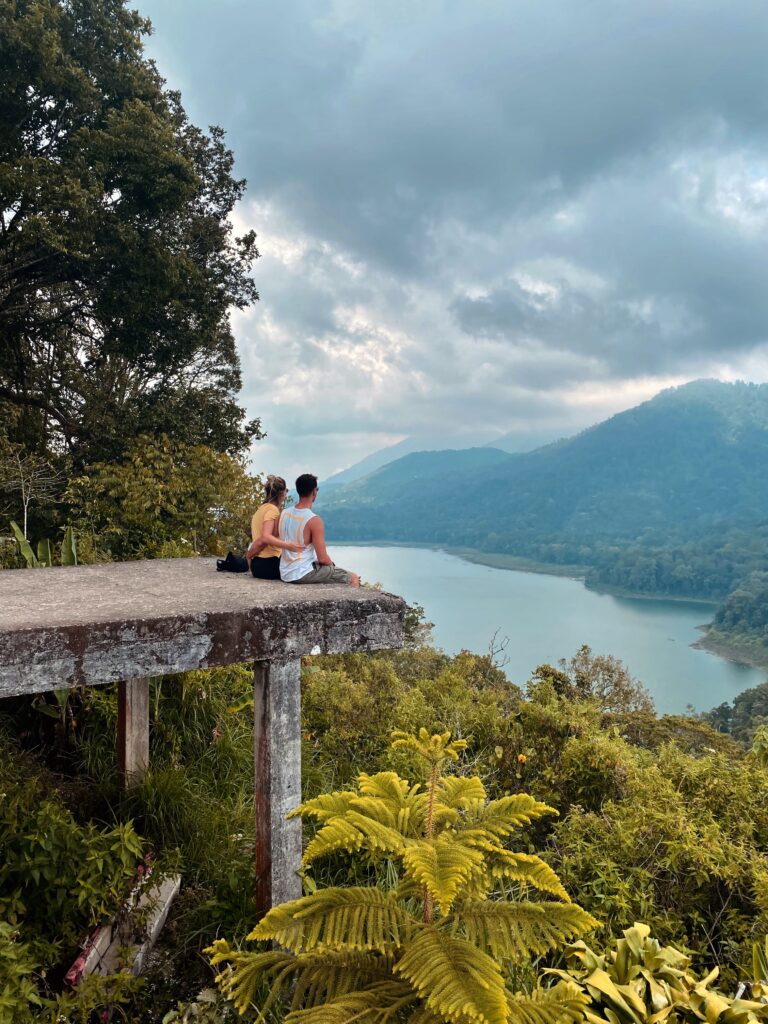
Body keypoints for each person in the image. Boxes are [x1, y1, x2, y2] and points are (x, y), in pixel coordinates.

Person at [279, 473, 360, 586]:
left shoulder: (284, 513)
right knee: (353, 577)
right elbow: (322, 558)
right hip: (302, 573)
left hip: (285, 572)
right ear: (314, 492)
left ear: (298, 491)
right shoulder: (313, 520)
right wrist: (331, 566)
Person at [246, 475, 305, 580]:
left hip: (258, 566)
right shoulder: (272, 510)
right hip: (270, 564)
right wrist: (289, 546)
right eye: (286, 491)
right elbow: (266, 537)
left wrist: (249, 555)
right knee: (307, 567)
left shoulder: (260, 509)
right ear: (282, 493)